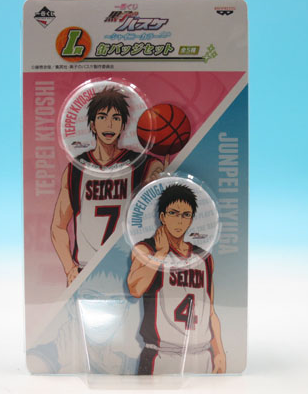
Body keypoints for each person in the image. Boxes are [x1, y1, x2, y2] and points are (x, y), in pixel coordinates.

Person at [52, 86, 164, 286]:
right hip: (87, 269)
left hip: (130, 269)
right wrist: (69, 268)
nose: (109, 124)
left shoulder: (144, 165)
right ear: (93, 125)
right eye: (102, 117)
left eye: (116, 118)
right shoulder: (75, 170)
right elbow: (58, 226)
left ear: (123, 125)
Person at [127, 184, 226, 374]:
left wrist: (219, 352)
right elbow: (135, 289)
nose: (179, 220)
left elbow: (210, 311)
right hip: (161, 354)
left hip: (202, 353)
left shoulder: (203, 258)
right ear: (162, 216)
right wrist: (161, 253)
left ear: (191, 220)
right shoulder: (146, 250)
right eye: (173, 213)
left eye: (185, 215)